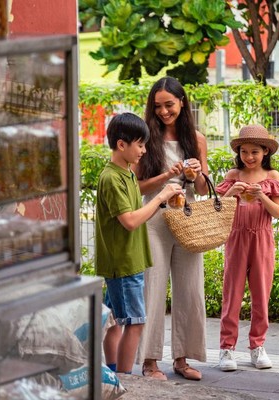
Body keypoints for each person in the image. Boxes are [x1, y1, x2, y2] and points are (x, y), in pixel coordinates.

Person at [133, 76, 209, 381]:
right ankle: (149, 361)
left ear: (182, 103)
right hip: (154, 219)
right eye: (158, 106)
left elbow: (203, 189)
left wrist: (196, 173)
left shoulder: (197, 139)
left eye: (169, 105)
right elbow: (138, 186)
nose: (164, 111)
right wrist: (168, 175)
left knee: (191, 290)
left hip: (188, 218)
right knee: (152, 290)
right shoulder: (146, 138)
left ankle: (182, 358)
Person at [95, 112, 182, 375]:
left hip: (123, 260)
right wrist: (161, 196)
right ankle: (124, 379)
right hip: (124, 263)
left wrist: (163, 200)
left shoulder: (127, 174)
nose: (144, 150)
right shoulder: (112, 178)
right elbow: (130, 221)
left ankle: (113, 375)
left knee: (114, 321)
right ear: (122, 145)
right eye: (140, 144)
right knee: (135, 323)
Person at [215, 125, 279, 372]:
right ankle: (227, 348)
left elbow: (277, 212)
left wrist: (262, 196)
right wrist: (230, 194)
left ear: (265, 151)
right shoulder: (233, 174)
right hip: (236, 238)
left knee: (261, 296)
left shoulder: (272, 177)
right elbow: (218, 210)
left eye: (254, 151)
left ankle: (258, 346)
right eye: (244, 151)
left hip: (262, 239)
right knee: (232, 295)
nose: (249, 157)